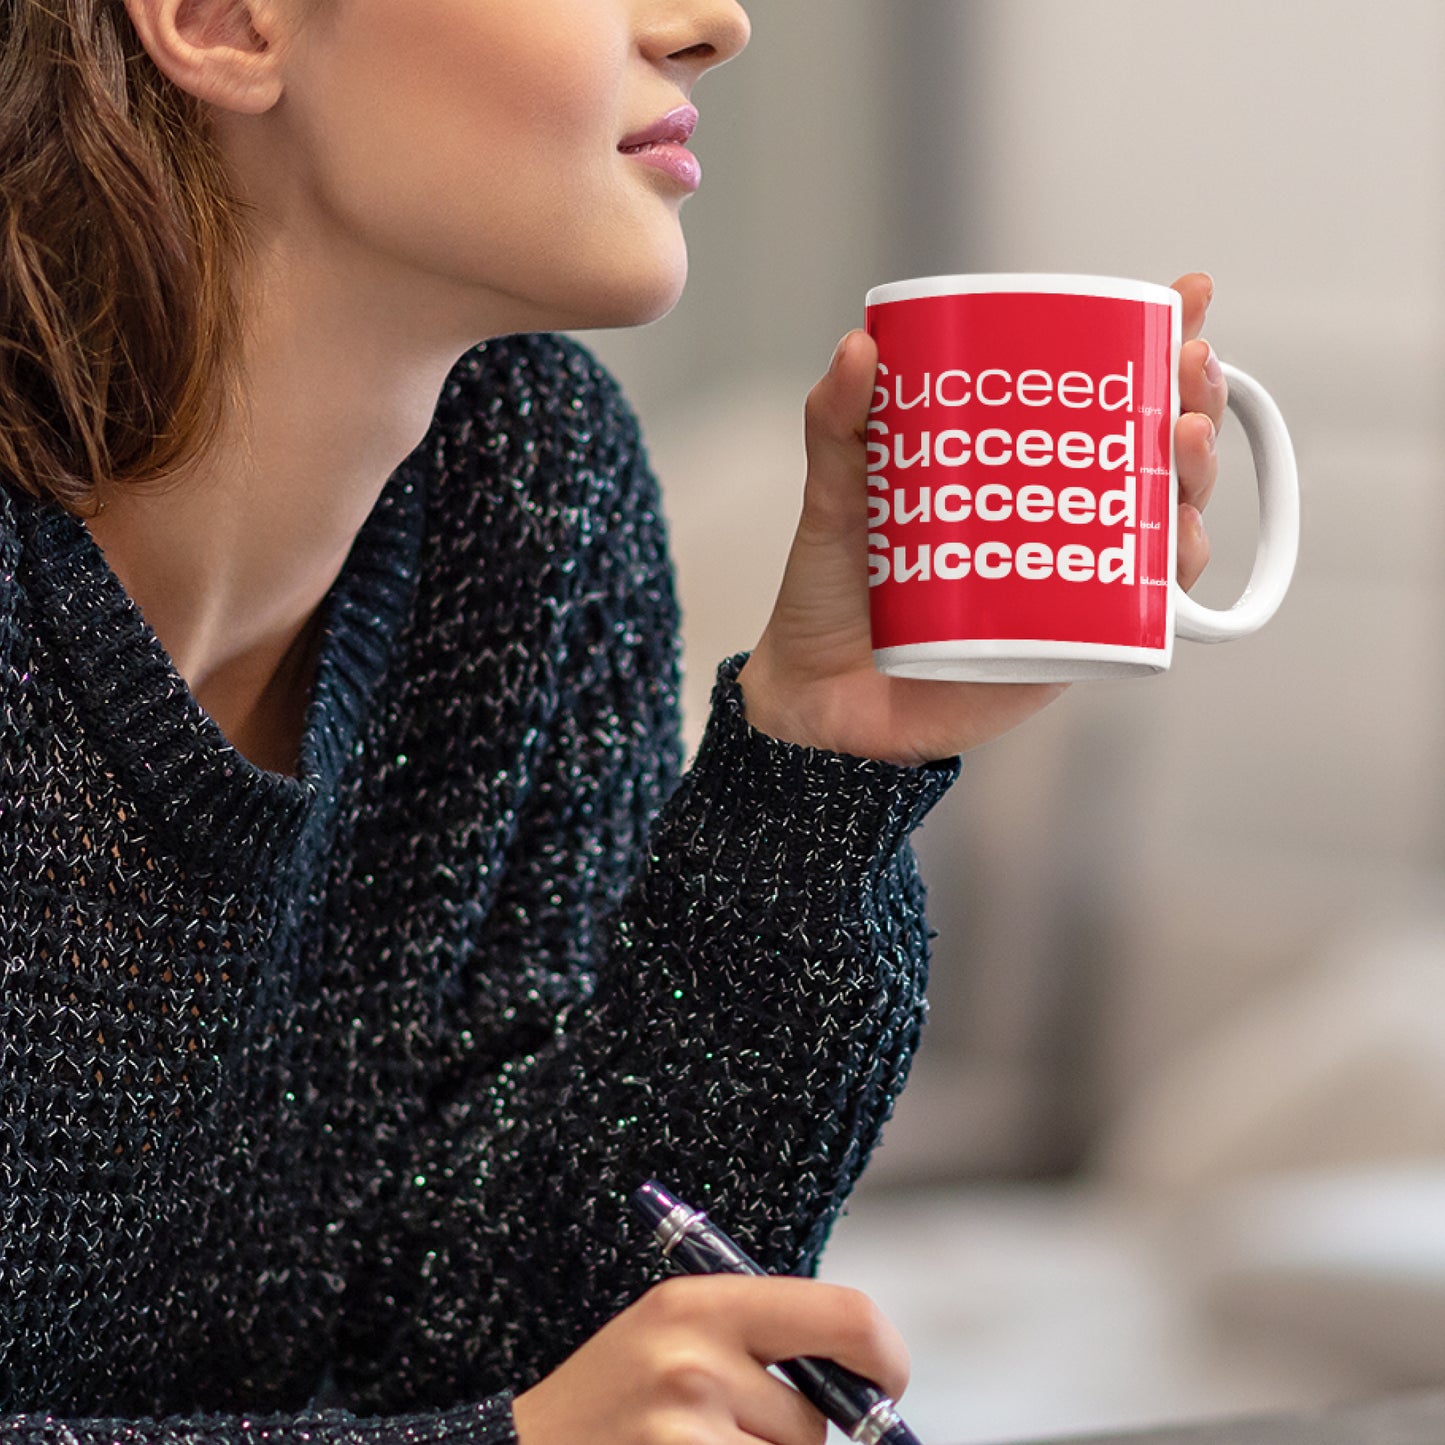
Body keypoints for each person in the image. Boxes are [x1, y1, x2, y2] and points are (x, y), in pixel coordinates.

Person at [0, 1, 1225, 1442]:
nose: (713, 23)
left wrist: (822, 755)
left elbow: (517, 1322)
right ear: (224, 20)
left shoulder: (528, 491)